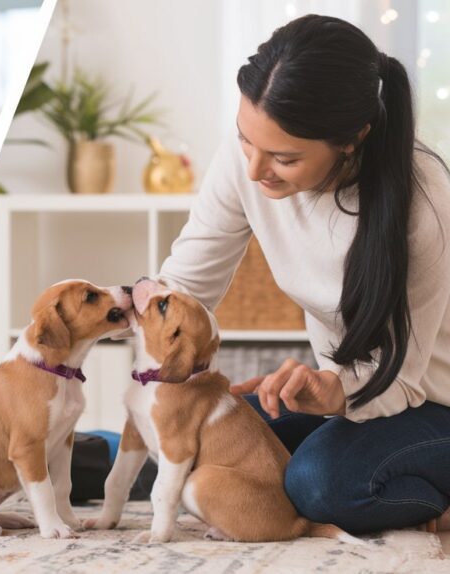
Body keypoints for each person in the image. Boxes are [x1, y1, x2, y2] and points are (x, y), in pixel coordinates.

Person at [153, 14, 450, 534]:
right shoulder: (251, 153)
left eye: (285, 158)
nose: (253, 169)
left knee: (317, 483)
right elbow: (186, 286)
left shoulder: (423, 202)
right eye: (247, 141)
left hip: (429, 400)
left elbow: (400, 379)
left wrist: (336, 391)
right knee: (196, 438)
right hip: (347, 398)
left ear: (352, 138)